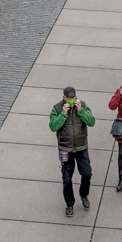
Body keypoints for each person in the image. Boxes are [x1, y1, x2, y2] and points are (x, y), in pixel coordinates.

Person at [49, 86, 95, 217]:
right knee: (67, 178)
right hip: (66, 149)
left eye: (73, 98)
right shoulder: (57, 109)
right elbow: (53, 126)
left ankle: (84, 195)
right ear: (64, 98)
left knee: (87, 173)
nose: (71, 100)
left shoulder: (83, 105)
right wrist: (63, 115)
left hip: (81, 147)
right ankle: (70, 204)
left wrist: (81, 111)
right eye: (68, 98)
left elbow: (92, 122)